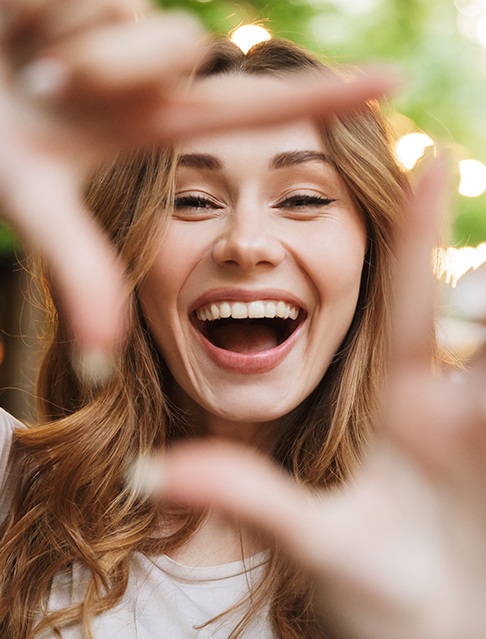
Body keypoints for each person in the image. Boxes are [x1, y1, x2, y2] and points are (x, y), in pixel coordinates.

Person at [1, 2, 482, 639]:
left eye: (305, 198)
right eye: (192, 200)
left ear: (374, 254)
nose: (247, 243)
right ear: (126, 251)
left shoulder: (460, 529)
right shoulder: (15, 492)